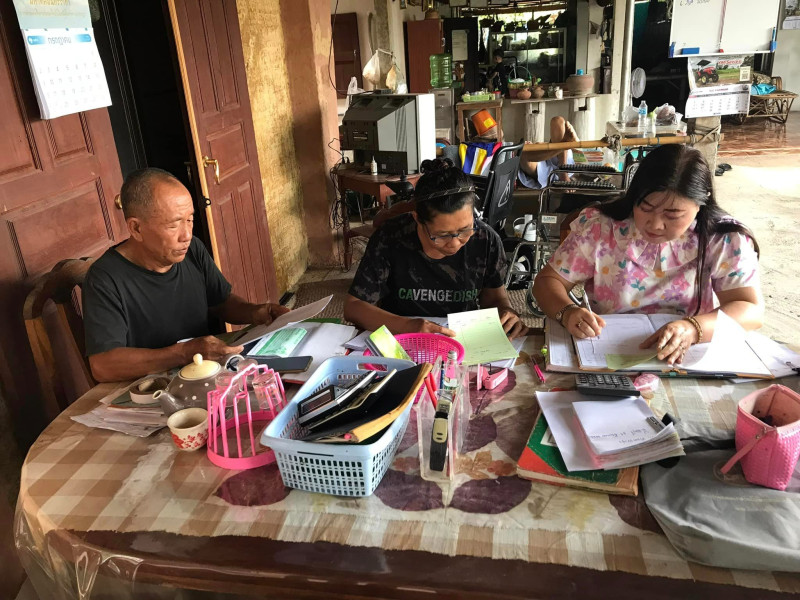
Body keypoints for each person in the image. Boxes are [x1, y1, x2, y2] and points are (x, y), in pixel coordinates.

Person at [532, 144, 763, 365]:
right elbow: (547, 282)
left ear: (700, 203)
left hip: (688, 353)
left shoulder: (722, 238)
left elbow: (750, 309)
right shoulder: (601, 228)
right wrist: (567, 311)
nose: (655, 224)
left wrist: (693, 329)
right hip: (607, 349)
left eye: (673, 215)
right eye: (646, 208)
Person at [84, 168, 289, 382]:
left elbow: (220, 301)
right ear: (136, 228)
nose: (187, 235)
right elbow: (103, 366)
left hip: (207, 377)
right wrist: (183, 353)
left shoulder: (193, 250)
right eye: (173, 225)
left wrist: (256, 312)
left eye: (190, 220)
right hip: (154, 389)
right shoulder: (105, 278)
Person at [345, 158, 526, 339]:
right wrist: (407, 326)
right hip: (402, 338)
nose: (455, 243)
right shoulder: (390, 237)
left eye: (465, 230)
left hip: (463, 338)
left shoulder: (486, 240)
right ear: (417, 219)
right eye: (442, 235)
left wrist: (507, 313)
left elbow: (494, 299)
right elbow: (353, 307)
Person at [517, 116, 578, 189]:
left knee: (557, 120)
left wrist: (541, 144)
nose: (527, 142)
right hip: (542, 170)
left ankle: (564, 150)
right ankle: (564, 149)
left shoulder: (544, 145)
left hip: (559, 157)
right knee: (523, 155)